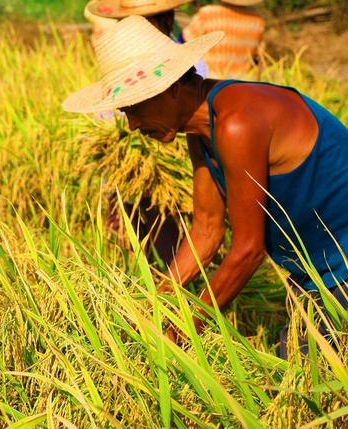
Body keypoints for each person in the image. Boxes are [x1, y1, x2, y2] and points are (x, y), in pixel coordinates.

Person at [62, 16, 348, 355]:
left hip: (340, 264)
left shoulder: (236, 124)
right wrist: (154, 303)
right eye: (126, 112)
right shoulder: (202, 131)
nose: (134, 124)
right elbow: (207, 231)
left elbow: (247, 250)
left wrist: (183, 330)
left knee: (305, 370)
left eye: (136, 107)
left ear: (170, 88)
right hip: (317, 270)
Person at [84, 0, 206, 265]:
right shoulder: (118, 63)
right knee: (134, 255)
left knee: (174, 252)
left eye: (143, 22)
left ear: (167, 21)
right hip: (130, 179)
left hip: (175, 184)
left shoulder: (188, 65)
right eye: (126, 24)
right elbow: (107, 116)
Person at [181, 0, 265, 79]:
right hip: (241, 81)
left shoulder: (208, 13)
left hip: (209, 80)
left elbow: (185, 40)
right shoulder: (257, 21)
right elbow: (259, 56)